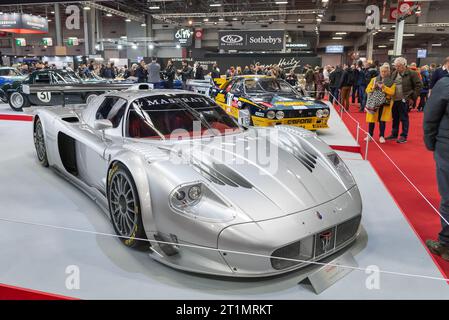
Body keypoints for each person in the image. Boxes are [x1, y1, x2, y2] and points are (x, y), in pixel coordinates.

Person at [423, 74, 449, 261]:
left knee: (448, 196)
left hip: (446, 147)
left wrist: (431, 143)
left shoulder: (445, 84)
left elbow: (430, 117)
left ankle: (446, 243)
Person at [385, 57, 422, 144]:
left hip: (405, 99)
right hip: (394, 99)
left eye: (399, 66)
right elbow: (389, 83)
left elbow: (418, 86)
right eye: (396, 66)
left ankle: (404, 135)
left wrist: (413, 98)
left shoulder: (412, 73)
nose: (397, 68)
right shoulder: (394, 73)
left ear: (404, 65)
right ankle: (394, 134)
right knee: (395, 118)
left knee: (404, 118)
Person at [365, 63, 396, 144]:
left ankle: (381, 136)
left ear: (388, 72)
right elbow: (367, 90)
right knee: (371, 120)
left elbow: (392, 92)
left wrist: (384, 88)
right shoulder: (374, 79)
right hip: (374, 102)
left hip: (385, 103)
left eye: (385, 71)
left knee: (382, 120)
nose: (383, 73)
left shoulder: (391, 82)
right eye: (382, 71)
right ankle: (370, 135)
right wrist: (373, 87)